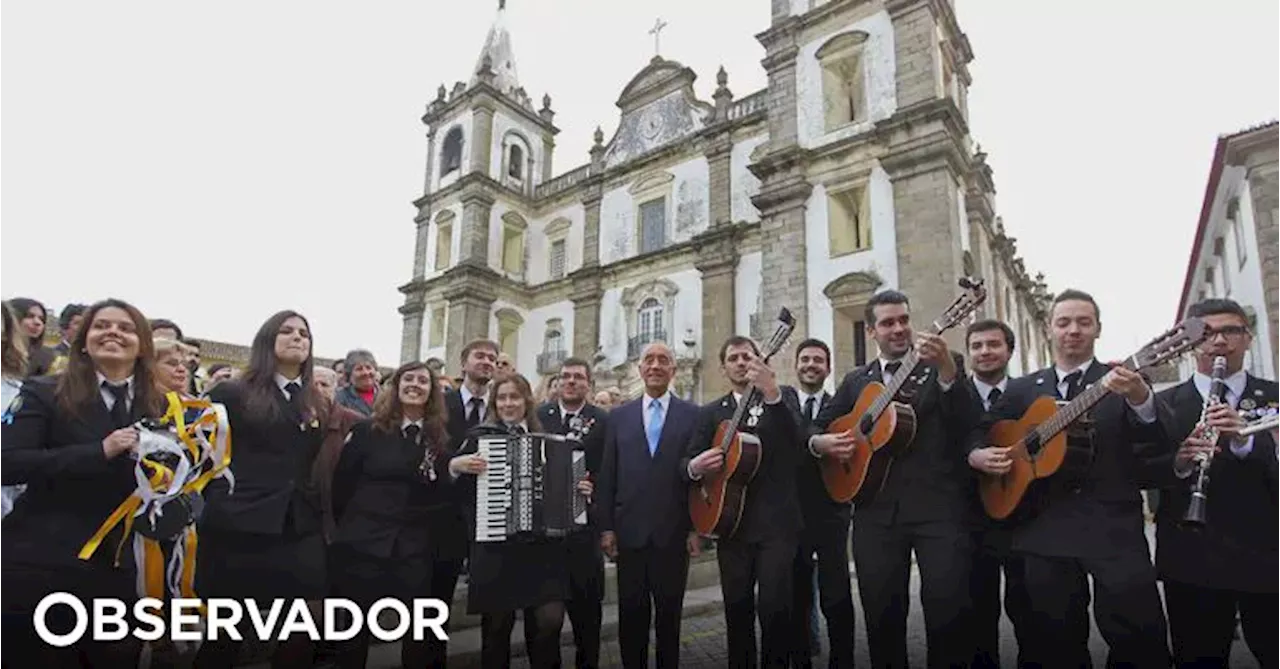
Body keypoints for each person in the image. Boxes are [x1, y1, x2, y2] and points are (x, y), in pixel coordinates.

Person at [967, 289, 1171, 667]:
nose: (1073, 330)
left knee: (1140, 638)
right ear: (1050, 329)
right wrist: (978, 454)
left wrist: (1141, 398)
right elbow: (983, 428)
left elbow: (1158, 438)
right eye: (1064, 322)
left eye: (1083, 322)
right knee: (1051, 644)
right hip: (1044, 529)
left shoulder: (1122, 380)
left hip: (1112, 529)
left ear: (1098, 329)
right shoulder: (1022, 388)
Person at [809, 290, 975, 668]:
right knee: (882, 619)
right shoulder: (856, 382)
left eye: (903, 320)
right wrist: (821, 442)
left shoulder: (943, 364)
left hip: (938, 510)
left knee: (948, 616)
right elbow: (817, 425)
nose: (898, 328)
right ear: (871, 331)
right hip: (874, 513)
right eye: (887, 323)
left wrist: (948, 370)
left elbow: (967, 423)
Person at [0, 299, 163, 666]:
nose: (113, 333)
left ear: (142, 346)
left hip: (122, 571)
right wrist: (98, 452)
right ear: (84, 341)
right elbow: (7, 463)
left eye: (125, 327)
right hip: (44, 560)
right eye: (101, 325)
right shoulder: (44, 391)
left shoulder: (162, 407)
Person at [194, 311, 330, 668]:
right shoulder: (231, 392)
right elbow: (203, 458)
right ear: (267, 341)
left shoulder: (314, 401)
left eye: (304, 332)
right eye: (286, 331)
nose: (297, 337)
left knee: (304, 623)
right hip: (240, 524)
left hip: (298, 523)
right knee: (228, 632)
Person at [1151, 297, 1280, 667]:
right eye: (1207, 333)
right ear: (1191, 343)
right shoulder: (1163, 404)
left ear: (1248, 338)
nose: (1219, 341)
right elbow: (1143, 470)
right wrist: (1178, 461)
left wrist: (1247, 441)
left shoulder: (1276, 397)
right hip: (1193, 558)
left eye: (1230, 331)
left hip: (1268, 555)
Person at [449, 373, 589, 669]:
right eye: (502, 398)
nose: (508, 403)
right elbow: (458, 494)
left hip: (543, 550)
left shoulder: (551, 435)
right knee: (497, 629)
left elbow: (568, 481)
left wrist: (581, 489)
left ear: (527, 401)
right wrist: (456, 466)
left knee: (549, 622)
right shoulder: (480, 436)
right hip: (497, 548)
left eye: (514, 397)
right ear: (494, 403)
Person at [683, 335, 801, 668]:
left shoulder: (782, 396)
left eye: (746, 356)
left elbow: (799, 443)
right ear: (723, 368)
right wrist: (695, 466)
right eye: (733, 357)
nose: (740, 362)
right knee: (737, 611)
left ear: (758, 360)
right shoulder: (710, 413)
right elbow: (687, 462)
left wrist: (772, 392)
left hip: (776, 525)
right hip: (729, 523)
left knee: (776, 609)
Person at [329, 361, 452, 668]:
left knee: (418, 631)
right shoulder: (366, 431)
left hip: (414, 547)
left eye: (423, 380)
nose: (415, 385)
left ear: (432, 392)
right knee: (354, 631)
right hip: (364, 543)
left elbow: (440, 494)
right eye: (407, 379)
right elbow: (342, 485)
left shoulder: (440, 440)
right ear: (395, 387)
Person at [597, 341, 699, 669]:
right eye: (649, 360)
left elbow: (698, 480)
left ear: (673, 369)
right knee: (632, 619)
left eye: (663, 360)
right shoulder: (619, 417)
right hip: (630, 536)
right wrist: (607, 527)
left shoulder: (693, 415)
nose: (655, 365)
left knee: (670, 620)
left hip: (674, 535)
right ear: (639, 369)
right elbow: (608, 474)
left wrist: (696, 528)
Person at [961, 319, 1031, 667]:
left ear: (1009, 350)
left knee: (1030, 616)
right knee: (976, 620)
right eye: (977, 346)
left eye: (993, 344)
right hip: (967, 522)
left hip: (1022, 520)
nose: (985, 352)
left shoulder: (1029, 392)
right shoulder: (953, 396)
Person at [781, 338, 855, 669]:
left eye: (818, 360)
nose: (811, 365)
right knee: (796, 597)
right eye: (806, 359)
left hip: (831, 513)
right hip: (790, 516)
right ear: (796, 365)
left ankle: (843, 660)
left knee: (836, 595)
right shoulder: (781, 403)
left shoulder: (840, 406)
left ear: (828, 368)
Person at [533, 357, 610, 668]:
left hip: (584, 535)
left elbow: (610, 470)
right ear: (558, 382)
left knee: (587, 622)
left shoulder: (602, 420)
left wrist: (597, 491)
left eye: (578, 377)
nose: (571, 381)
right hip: (545, 536)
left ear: (588, 384)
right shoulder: (539, 416)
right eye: (565, 376)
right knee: (544, 626)